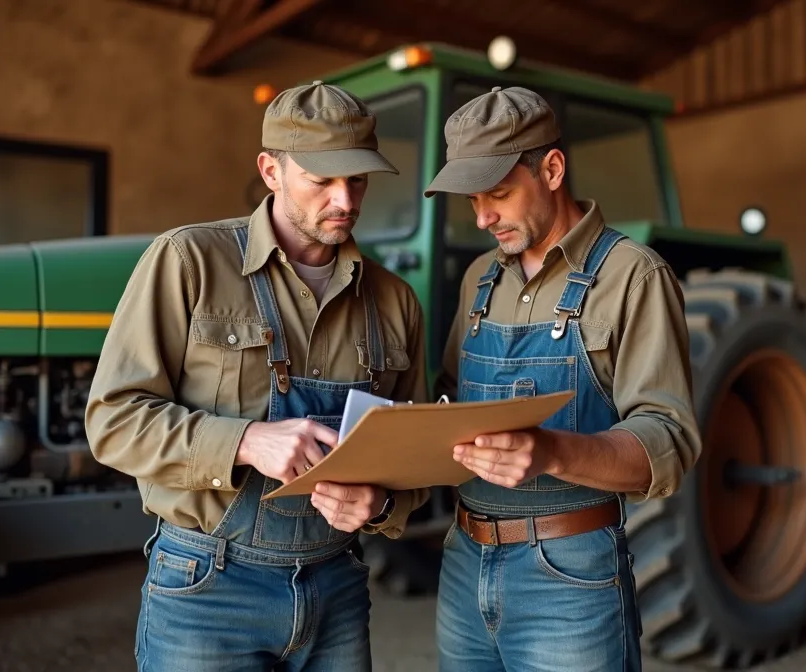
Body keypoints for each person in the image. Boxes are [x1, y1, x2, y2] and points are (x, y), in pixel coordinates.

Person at [85, 81, 429, 671]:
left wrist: (379, 503)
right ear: (271, 170)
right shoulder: (188, 261)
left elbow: (413, 456)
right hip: (208, 588)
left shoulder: (395, 301)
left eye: (359, 179)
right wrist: (244, 440)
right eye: (322, 180)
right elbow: (112, 421)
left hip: (338, 588)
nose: (345, 199)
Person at [423, 85, 702, 671]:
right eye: (472, 200)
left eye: (498, 194)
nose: (483, 217)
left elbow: (668, 442)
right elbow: (447, 397)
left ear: (551, 168)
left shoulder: (633, 276)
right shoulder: (479, 278)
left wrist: (550, 451)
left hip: (569, 575)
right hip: (463, 562)